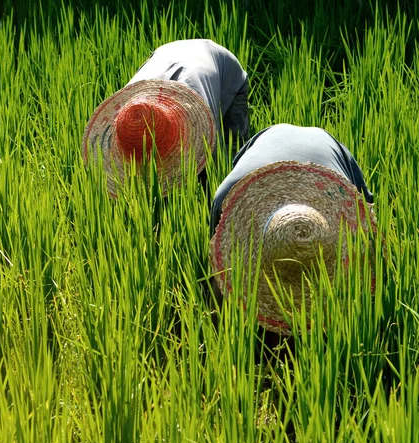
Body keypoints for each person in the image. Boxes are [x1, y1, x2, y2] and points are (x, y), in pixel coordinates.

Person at [209, 123, 377, 334]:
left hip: (299, 139)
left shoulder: (340, 189)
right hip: (303, 139)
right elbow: (219, 266)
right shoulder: (228, 197)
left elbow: (366, 213)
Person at [82, 39, 249, 196]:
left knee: (227, 161)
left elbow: (209, 157)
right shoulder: (130, 109)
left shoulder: (197, 112)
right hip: (165, 55)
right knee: (155, 176)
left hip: (220, 65)